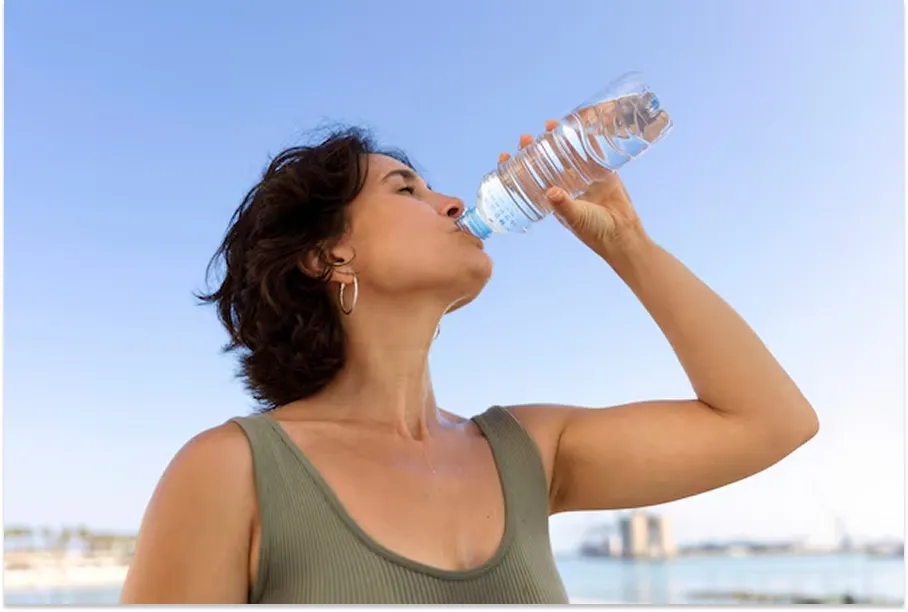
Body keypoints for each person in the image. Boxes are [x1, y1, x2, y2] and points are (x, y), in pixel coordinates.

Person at [121, 122, 818, 604]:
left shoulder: (528, 451)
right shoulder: (231, 471)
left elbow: (772, 421)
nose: (453, 202)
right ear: (329, 254)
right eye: (407, 190)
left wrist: (627, 242)